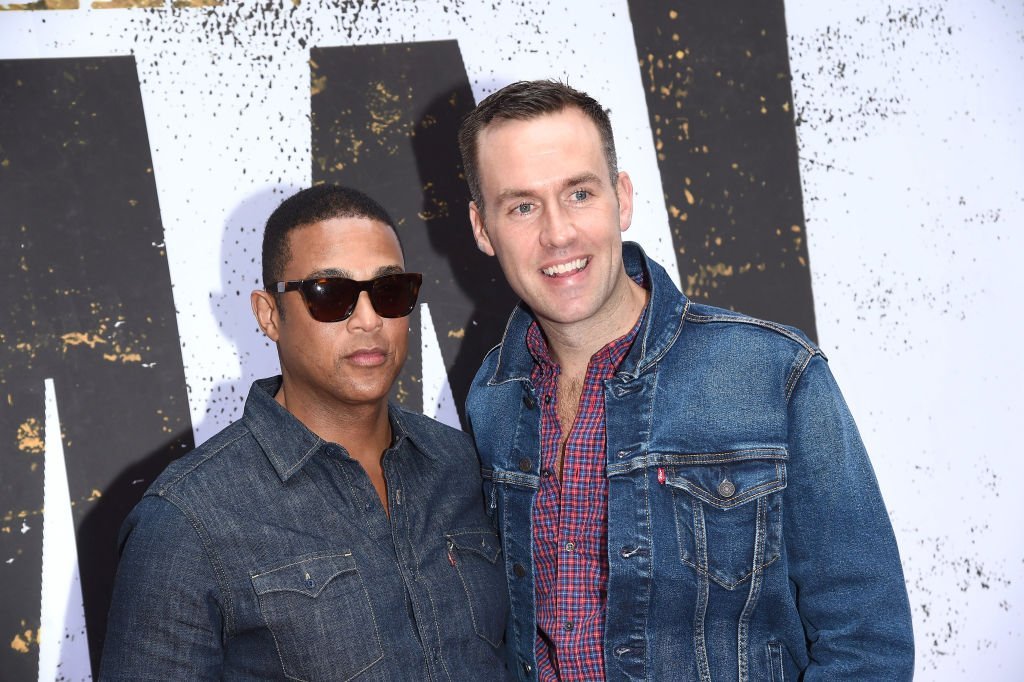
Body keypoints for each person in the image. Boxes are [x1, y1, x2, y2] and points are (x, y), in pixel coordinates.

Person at [458, 80, 914, 681]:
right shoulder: (491, 397)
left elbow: (867, 643)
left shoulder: (773, 373)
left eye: (579, 193)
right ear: (482, 229)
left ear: (621, 199)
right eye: (522, 206)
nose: (558, 233)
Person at [100, 184, 510, 680]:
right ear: (269, 314)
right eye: (330, 294)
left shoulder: (461, 465)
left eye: (389, 291)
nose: (368, 320)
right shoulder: (187, 521)